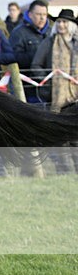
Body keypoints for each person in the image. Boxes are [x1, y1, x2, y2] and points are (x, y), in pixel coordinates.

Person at [31, 9, 78, 173]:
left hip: (75, 97)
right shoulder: (48, 43)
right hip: (55, 98)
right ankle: (65, 169)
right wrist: (51, 80)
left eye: (65, 22)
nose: (61, 25)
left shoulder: (77, 43)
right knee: (60, 137)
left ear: (71, 25)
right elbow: (36, 65)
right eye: (59, 22)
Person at [10, 0, 51, 101]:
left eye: (44, 15)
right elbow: (14, 57)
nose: (42, 18)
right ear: (30, 14)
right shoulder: (19, 33)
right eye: (38, 14)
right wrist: (37, 57)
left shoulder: (51, 32)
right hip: (29, 86)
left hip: (50, 85)